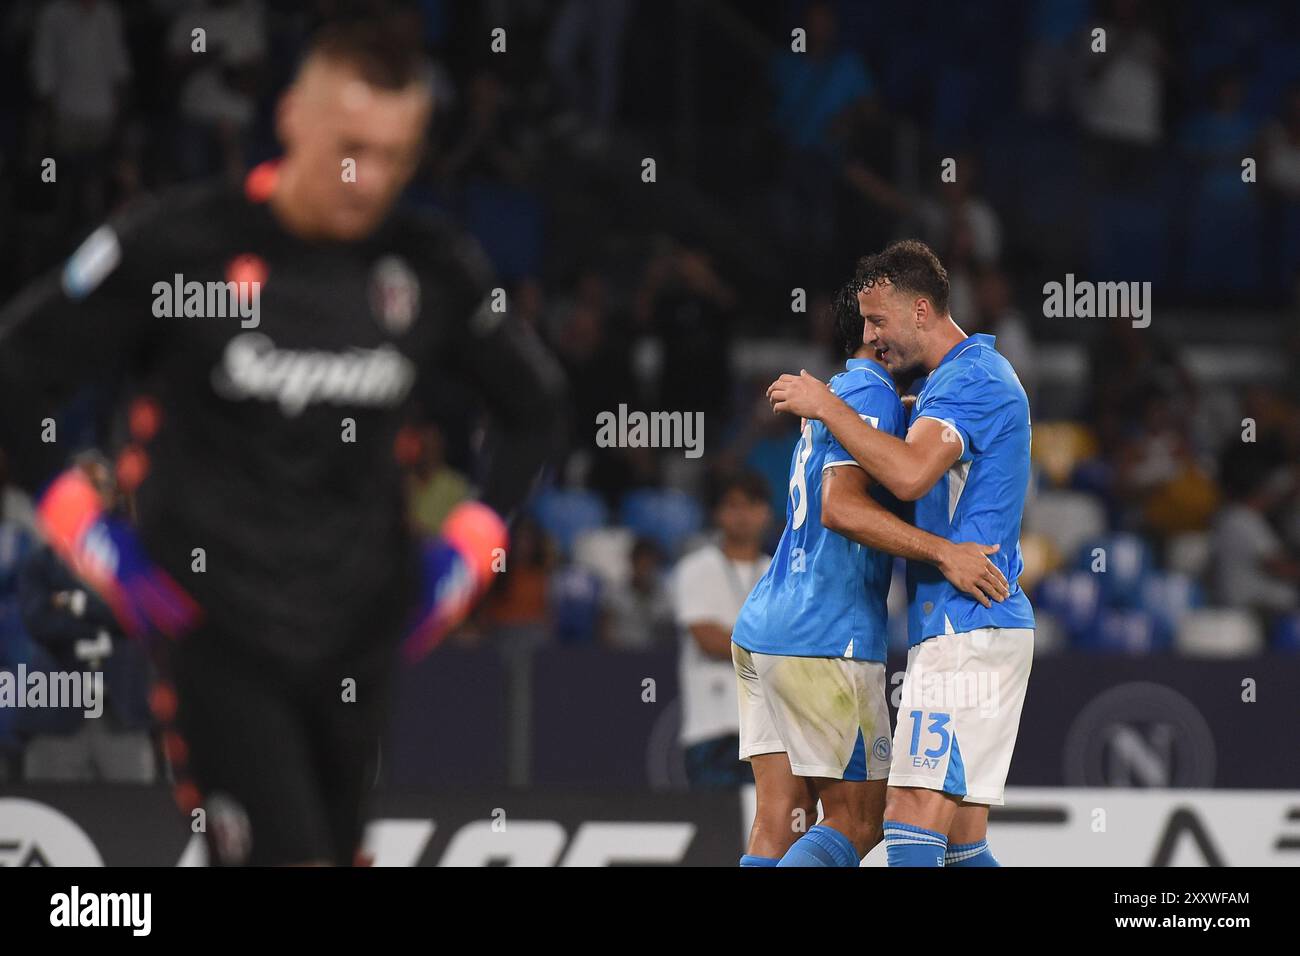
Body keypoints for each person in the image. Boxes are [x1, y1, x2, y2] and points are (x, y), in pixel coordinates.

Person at [0, 16, 565, 865]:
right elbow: (18, 368)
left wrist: (469, 552)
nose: (367, 179)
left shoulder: (430, 265)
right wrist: (89, 533)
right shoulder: (182, 244)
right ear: (293, 115)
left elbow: (537, 408)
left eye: (394, 157)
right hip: (214, 625)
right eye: (351, 147)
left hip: (360, 632)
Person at [769, 239, 1034, 867]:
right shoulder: (961, 379)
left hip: (965, 626)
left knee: (910, 817)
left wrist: (829, 405)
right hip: (972, 624)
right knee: (963, 844)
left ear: (921, 311)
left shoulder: (970, 381)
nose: (870, 336)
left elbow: (912, 474)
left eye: (878, 321)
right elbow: (924, 435)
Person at [672, 472, 771, 789]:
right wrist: (771, 649)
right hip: (711, 729)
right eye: (732, 506)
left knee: (768, 831)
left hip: (767, 732)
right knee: (716, 832)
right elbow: (706, 639)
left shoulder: (779, 572)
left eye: (751, 505)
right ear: (717, 513)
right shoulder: (695, 568)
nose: (742, 515)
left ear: (765, 512)